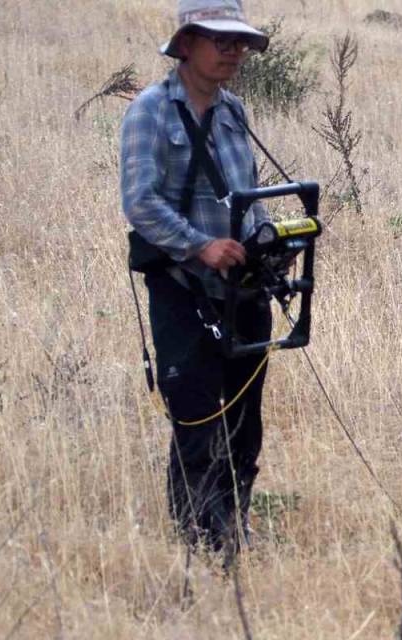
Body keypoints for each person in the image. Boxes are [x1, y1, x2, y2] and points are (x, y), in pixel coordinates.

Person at [120, 0, 273, 557]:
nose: (233, 51)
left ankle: (232, 530)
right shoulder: (149, 112)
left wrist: (264, 246)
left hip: (243, 290)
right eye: (220, 40)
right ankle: (197, 541)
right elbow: (140, 204)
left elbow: (248, 198)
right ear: (186, 43)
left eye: (239, 42)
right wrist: (201, 247)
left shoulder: (235, 111)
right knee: (197, 417)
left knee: (245, 422)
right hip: (183, 289)